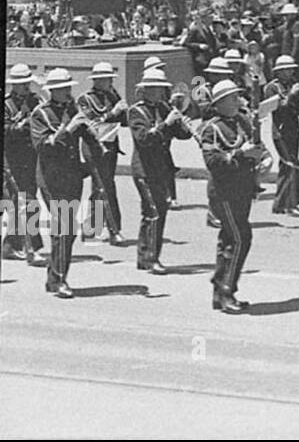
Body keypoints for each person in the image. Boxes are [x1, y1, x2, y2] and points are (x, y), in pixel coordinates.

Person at [200, 79, 261, 312]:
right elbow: (213, 161)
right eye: (233, 97)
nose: (238, 100)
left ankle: (220, 290)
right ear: (220, 102)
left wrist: (260, 158)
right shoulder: (211, 128)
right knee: (240, 238)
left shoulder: (243, 122)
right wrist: (239, 153)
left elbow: (256, 146)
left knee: (229, 240)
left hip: (242, 188)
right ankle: (227, 290)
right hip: (224, 192)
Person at [30, 68, 91, 298]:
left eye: (68, 88)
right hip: (51, 177)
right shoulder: (40, 114)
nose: (67, 92)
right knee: (64, 227)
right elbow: (44, 146)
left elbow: (84, 135)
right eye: (63, 89)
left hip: (73, 175)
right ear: (52, 91)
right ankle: (59, 279)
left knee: (68, 229)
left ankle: (54, 276)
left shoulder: (72, 108)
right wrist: (69, 128)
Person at [128, 68, 194, 275]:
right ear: (145, 90)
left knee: (156, 212)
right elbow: (145, 139)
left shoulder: (164, 108)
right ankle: (151, 257)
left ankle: (144, 256)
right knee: (154, 211)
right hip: (144, 168)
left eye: (161, 88)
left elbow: (182, 135)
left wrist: (180, 120)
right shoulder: (136, 111)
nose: (159, 92)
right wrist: (166, 124)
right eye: (155, 88)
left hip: (161, 168)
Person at [75, 62, 128, 245]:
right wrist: (114, 112)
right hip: (94, 147)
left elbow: (124, 121)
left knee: (101, 186)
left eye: (110, 78)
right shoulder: (85, 99)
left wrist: (124, 111)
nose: (110, 82)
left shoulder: (112, 95)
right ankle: (114, 230)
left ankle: (90, 228)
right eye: (107, 79)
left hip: (111, 145)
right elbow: (92, 122)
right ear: (97, 80)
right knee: (106, 187)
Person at [3, 64, 44, 265]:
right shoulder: (7, 104)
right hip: (12, 159)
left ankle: (11, 245)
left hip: (31, 157)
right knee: (25, 202)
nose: (26, 87)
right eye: (22, 84)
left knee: (23, 201)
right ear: (14, 86)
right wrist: (21, 125)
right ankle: (32, 248)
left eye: (27, 83)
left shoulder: (35, 101)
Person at [266, 55, 299, 216]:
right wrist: (292, 96)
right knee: (291, 165)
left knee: (288, 166)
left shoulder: (293, 84)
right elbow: (277, 109)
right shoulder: (272, 88)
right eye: (286, 69)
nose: (289, 72)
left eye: (291, 69)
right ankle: (290, 204)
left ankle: (280, 204)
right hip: (280, 130)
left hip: (293, 129)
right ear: (278, 72)